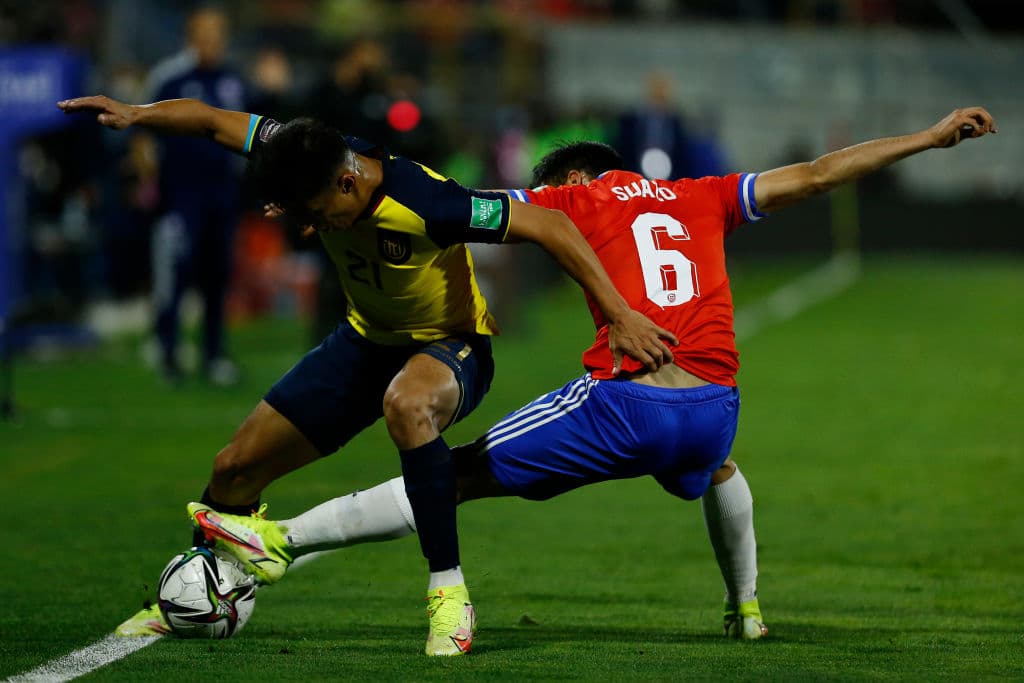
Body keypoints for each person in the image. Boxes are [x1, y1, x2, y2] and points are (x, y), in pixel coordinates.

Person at [184, 107, 998, 654]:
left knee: (450, 469)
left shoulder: (576, 198)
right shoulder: (703, 195)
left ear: (575, 178)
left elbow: (475, 211)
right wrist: (927, 139)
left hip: (627, 401)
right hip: (716, 408)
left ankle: (280, 538)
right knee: (718, 467)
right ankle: (746, 608)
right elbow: (820, 173)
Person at [56, 94, 678, 652]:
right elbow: (217, 122)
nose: (312, 226)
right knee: (233, 469)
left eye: (318, 213)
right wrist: (138, 115)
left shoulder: (428, 203)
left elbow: (550, 224)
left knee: (408, 407)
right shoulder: (308, 154)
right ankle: (197, 595)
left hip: (451, 345)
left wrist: (620, 316)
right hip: (362, 341)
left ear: (348, 186)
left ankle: (449, 599)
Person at [143, 7, 248, 385]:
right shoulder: (170, 78)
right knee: (175, 273)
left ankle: (214, 355)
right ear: (191, 36)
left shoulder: (233, 81)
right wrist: (149, 183)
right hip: (180, 195)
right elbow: (143, 131)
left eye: (219, 34)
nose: (213, 41)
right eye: (206, 33)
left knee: (217, 276)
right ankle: (168, 352)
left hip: (222, 194)